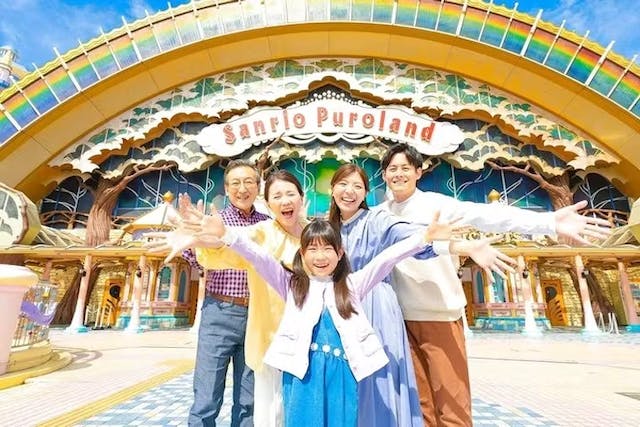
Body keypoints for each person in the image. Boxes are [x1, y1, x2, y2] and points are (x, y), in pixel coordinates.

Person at [151, 212, 463, 426]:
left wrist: (423, 237)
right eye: (312, 248)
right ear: (302, 254)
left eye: (328, 248)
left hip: (344, 374)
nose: (320, 255)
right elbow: (259, 257)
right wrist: (227, 235)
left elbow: (386, 258)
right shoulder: (292, 285)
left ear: (340, 253)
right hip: (302, 375)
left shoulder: (353, 285)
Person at [378, 142, 612, 426]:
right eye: (392, 169)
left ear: (418, 172)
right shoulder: (380, 214)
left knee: (452, 403)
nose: (398, 174)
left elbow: (488, 215)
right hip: (399, 318)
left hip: (439, 315)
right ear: (384, 175)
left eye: (405, 168)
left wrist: (549, 222)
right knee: (419, 404)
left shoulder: (436, 204)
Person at [327, 164, 516, 427]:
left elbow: (415, 240)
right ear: (332, 189)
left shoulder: (378, 221)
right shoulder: (328, 227)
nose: (349, 191)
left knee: (379, 381)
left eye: (357, 186)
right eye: (343, 184)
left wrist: (463, 246)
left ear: (366, 193)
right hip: (339, 309)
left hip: (375, 308)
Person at [192, 170, 307, 427]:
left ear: (302, 197)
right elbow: (234, 243)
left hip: (297, 332)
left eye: (290, 194)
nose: (285, 201)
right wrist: (203, 238)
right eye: (277, 195)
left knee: (250, 401)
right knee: (209, 396)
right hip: (242, 319)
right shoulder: (261, 230)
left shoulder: (311, 233)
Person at [186, 159, 269, 427]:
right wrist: (191, 237)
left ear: (258, 186)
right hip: (219, 312)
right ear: (226, 188)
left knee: (249, 398)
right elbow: (194, 258)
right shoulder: (214, 220)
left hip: (257, 316)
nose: (242, 189)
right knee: (207, 396)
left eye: (248, 182)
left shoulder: (269, 224)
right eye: (236, 183)